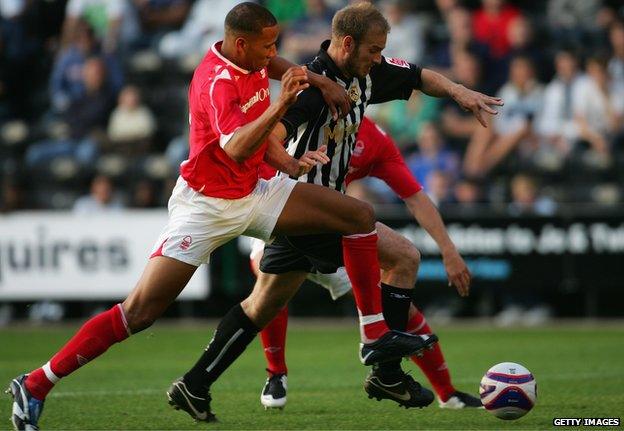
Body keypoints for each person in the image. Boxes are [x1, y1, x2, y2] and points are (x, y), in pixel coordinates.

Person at [7, 4, 431, 430]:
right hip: (206, 206)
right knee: (139, 312)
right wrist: (283, 103)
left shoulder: (249, 56)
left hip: (255, 191)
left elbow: (275, 74)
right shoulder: (217, 81)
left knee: (358, 214)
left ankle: (374, 335)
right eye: (267, 46)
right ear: (241, 43)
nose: (274, 54)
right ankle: (37, 382)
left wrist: (311, 92)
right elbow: (237, 149)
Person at [170, 2, 501, 421]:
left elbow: (418, 76)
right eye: (373, 51)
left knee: (262, 305)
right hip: (303, 206)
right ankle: (382, 362)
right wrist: (290, 163)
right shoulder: (312, 87)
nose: (379, 59)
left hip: (308, 215)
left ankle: (195, 383)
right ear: (347, 44)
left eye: (382, 51)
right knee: (402, 257)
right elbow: (271, 135)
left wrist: (459, 92)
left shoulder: (367, 73)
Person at [254, 117, 482, 410]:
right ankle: (276, 375)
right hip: (282, 219)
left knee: (396, 301)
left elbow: (415, 197)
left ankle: (445, 393)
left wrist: (449, 250)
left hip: (330, 233)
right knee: (267, 293)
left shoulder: (373, 141)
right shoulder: (306, 116)